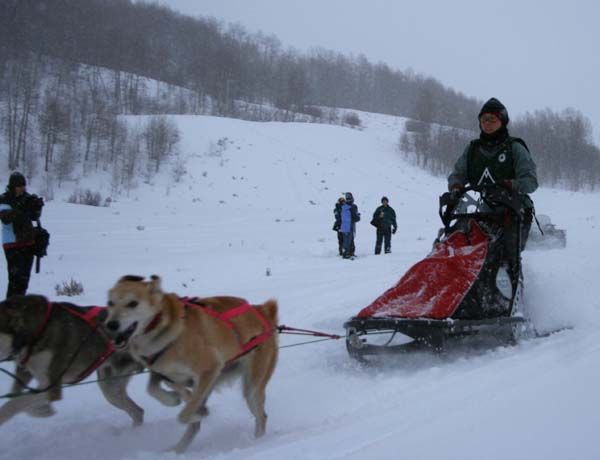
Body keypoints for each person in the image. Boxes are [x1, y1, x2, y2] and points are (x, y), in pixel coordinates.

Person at [448, 97, 538, 273]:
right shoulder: (472, 149)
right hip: (476, 209)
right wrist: (456, 186)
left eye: (492, 119)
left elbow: (531, 182)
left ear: (502, 121)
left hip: (511, 211)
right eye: (484, 119)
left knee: (506, 253)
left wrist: (511, 184)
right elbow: (457, 174)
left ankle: (510, 277)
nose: (487, 124)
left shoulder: (514, 148)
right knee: (453, 239)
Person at [0, 172, 44, 298]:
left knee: (24, 281)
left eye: (23, 185)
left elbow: (34, 217)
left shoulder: (27, 198)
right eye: (19, 186)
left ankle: (20, 308)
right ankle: (9, 310)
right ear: (12, 186)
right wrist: (23, 208)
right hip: (12, 244)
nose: (22, 188)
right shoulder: (4, 199)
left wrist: (37, 208)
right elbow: (6, 218)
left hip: (28, 243)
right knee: (15, 280)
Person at [337, 192, 360, 259]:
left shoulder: (343, 206)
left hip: (345, 225)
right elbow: (355, 217)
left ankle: (350, 252)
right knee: (348, 240)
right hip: (348, 225)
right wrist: (358, 216)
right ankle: (346, 253)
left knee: (349, 239)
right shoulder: (352, 206)